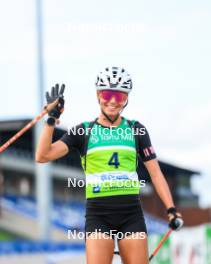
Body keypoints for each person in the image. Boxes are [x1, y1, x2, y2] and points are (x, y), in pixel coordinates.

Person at [36, 66, 183, 264]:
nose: (113, 102)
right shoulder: (83, 131)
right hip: (99, 216)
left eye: (120, 97)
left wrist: (171, 209)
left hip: (131, 215)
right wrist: (51, 119)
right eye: (107, 95)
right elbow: (42, 156)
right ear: (98, 95)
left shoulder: (136, 130)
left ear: (127, 99)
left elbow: (155, 174)